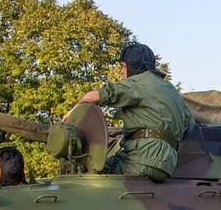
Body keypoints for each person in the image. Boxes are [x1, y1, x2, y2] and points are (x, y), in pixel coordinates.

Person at [77, 42, 191, 183]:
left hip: (140, 160)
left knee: (86, 167)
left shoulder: (138, 83)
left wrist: (73, 114)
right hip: (166, 164)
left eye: (123, 67)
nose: (121, 72)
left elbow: (93, 97)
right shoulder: (172, 91)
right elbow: (189, 121)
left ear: (133, 65)